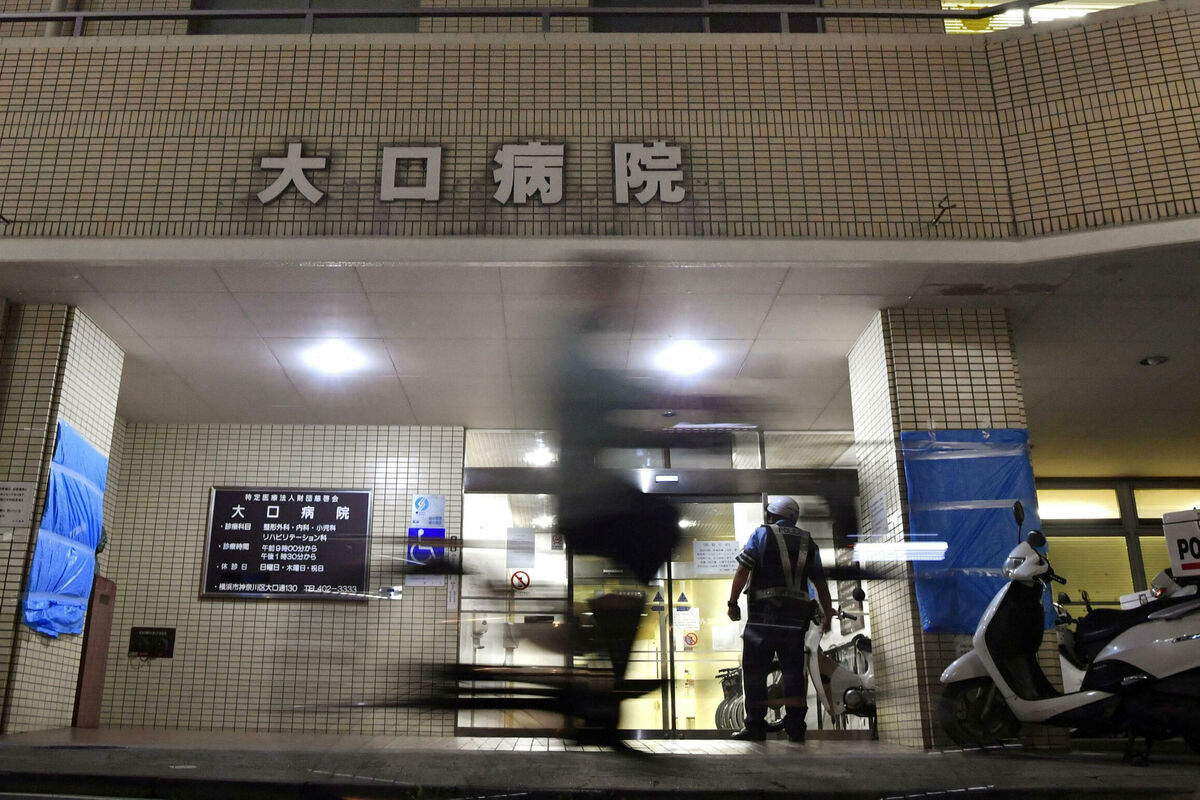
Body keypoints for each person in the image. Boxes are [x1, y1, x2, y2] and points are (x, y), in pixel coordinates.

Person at [726, 495, 834, 743]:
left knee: (755, 670)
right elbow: (820, 583)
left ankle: (755, 726)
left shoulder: (762, 534)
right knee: (793, 671)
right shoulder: (808, 541)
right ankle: (795, 727)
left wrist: (732, 603)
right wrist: (828, 614)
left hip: (763, 616)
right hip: (796, 619)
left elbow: (743, 570)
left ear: (772, 515)